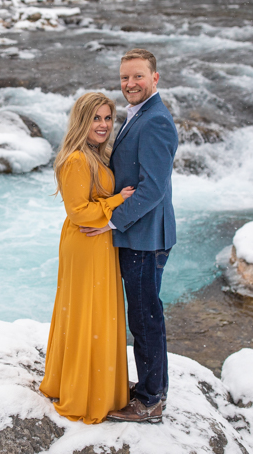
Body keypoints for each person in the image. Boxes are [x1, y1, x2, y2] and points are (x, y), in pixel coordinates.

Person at [82, 48, 178, 424]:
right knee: (144, 314)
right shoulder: (138, 114)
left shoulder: (155, 121)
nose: (130, 84)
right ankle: (152, 388)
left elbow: (153, 189)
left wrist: (111, 221)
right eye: (125, 78)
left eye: (138, 76)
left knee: (144, 317)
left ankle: (151, 400)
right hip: (139, 235)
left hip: (144, 237)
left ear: (155, 78)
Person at [39, 92, 136, 424]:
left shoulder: (98, 154)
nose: (104, 125)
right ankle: (84, 391)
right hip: (85, 240)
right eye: (96, 118)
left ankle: (93, 382)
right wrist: (116, 202)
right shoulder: (77, 159)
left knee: (96, 312)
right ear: (82, 120)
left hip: (99, 239)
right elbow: (79, 212)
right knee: (86, 312)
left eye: (108, 118)